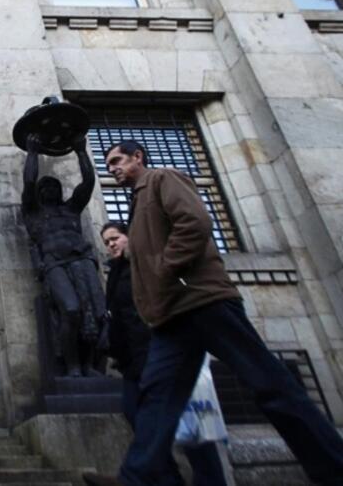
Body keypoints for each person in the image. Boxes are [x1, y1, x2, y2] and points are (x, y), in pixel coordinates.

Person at [83, 140, 343, 486]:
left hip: (204, 303)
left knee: (270, 385)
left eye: (117, 160)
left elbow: (195, 223)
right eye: (109, 163)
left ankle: (333, 467)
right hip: (171, 316)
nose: (112, 167)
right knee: (157, 399)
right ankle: (136, 477)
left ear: (138, 157)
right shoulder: (138, 201)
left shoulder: (163, 179)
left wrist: (164, 269)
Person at [101, 221, 227, 486]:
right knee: (137, 415)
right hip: (132, 361)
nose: (110, 244)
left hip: (160, 352)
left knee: (191, 422)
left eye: (115, 238)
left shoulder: (147, 264)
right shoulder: (115, 273)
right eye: (106, 242)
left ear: (129, 237)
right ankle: (168, 480)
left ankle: (211, 480)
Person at [22, 133, 107, 376]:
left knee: (97, 313)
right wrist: (32, 152)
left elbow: (88, 183)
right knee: (70, 310)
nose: (50, 189)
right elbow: (29, 183)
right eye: (45, 187)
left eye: (54, 186)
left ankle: (90, 365)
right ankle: (71, 365)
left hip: (82, 261)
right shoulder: (33, 213)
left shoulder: (71, 210)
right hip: (54, 264)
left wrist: (81, 151)